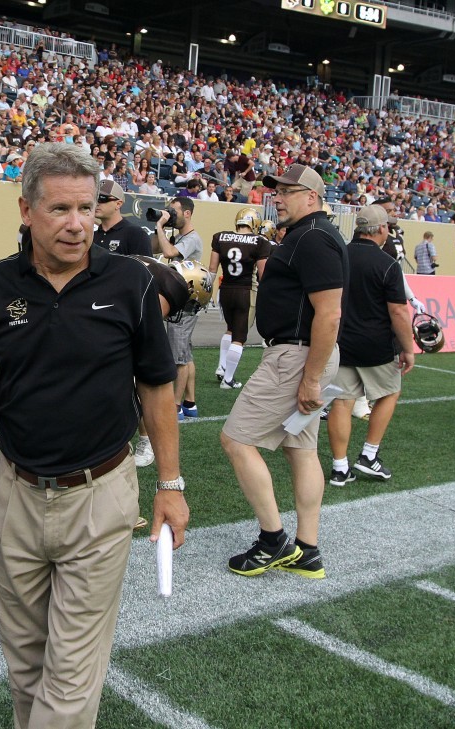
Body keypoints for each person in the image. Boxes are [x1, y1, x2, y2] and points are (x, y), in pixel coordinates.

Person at [0, 142, 188, 729]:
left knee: (69, 678)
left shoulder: (130, 283)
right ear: (25, 210)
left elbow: (157, 388)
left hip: (100, 494)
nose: (77, 224)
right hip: (16, 492)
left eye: (86, 209)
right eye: (60, 210)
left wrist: (170, 483)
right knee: (25, 667)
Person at [220, 163, 346, 580]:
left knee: (236, 439)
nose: (277, 197)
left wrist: (310, 377)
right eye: (277, 191)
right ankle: (307, 549)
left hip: (296, 357)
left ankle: (273, 539)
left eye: (288, 191)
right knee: (301, 449)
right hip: (302, 355)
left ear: (312, 197)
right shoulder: (308, 235)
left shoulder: (312, 237)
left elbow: (328, 314)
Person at [326, 205, 414, 486]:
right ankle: (368, 454)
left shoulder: (338, 256)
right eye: (387, 226)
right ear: (380, 229)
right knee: (389, 392)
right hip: (375, 345)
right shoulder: (387, 263)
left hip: (339, 341)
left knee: (341, 402)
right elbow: (399, 311)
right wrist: (408, 348)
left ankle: (340, 467)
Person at [209, 206, 272, 389]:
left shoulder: (220, 237)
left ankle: (222, 368)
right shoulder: (259, 242)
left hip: (225, 289)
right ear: (254, 223)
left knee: (230, 328)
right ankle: (228, 380)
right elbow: (263, 274)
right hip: (246, 291)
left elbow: (212, 269)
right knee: (240, 335)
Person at [155, 196, 204, 418]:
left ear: (187, 213)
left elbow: (168, 253)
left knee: (178, 358)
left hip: (185, 304)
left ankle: (175, 407)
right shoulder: (179, 236)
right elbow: (156, 247)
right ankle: (190, 404)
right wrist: (162, 227)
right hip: (184, 301)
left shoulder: (192, 239)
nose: (170, 215)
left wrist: (159, 226)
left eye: (174, 211)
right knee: (185, 353)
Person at [92, 179, 151, 256]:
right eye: (94, 199)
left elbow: (145, 266)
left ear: (118, 204)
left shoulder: (136, 234)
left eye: (102, 199)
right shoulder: (92, 235)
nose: (96, 203)